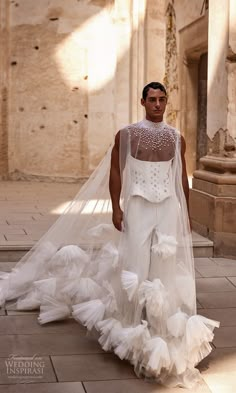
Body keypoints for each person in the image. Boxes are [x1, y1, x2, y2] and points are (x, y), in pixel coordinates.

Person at [0, 82, 219, 388]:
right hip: (139, 207)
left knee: (166, 265)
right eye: (152, 99)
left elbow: (181, 177)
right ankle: (129, 326)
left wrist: (187, 214)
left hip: (168, 207)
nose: (157, 104)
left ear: (167, 102)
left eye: (162, 99)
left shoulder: (175, 137)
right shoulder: (127, 134)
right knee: (135, 262)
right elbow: (117, 170)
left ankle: (161, 323)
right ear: (142, 101)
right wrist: (116, 207)